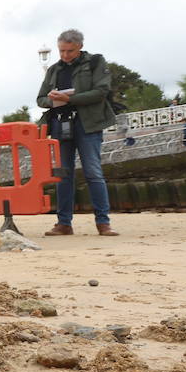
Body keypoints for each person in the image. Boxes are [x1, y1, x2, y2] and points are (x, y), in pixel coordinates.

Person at [37, 29, 119, 236]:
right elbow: (40, 99)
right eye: (62, 50)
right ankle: (64, 223)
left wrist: (70, 99)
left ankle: (103, 223)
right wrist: (53, 99)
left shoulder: (95, 62)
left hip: (88, 123)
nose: (65, 55)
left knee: (93, 172)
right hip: (60, 124)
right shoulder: (54, 69)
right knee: (63, 175)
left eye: (70, 51)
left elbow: (102, 91)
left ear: (80, 47)